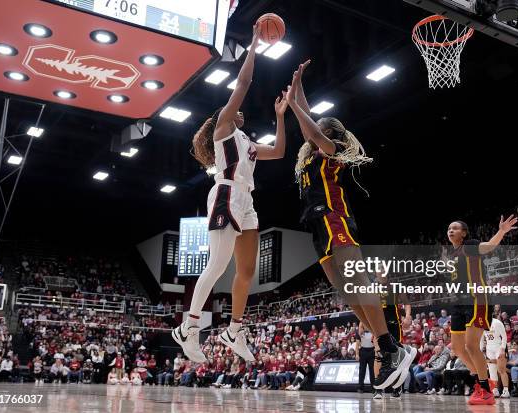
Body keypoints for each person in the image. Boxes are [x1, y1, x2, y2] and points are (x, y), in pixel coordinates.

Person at [286, 59, 415, 392]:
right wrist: (297, 84)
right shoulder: (312, 151)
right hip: (316, 224)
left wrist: (294, 105)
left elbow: (310, 127)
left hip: (334, 216)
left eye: (320, 128)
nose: (313, 130)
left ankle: (389, 346)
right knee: (345, 291)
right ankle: (390, 345)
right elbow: (308, 121)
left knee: (357, 281)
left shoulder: (329, 149)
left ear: (330, 133)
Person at [173, 24, 288, 363]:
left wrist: (280, 116)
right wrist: (253, 42)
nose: (241, 109)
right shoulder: (224, 128)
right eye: (236, 107)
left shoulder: (249, 144)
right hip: (225, 193)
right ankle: (188, 327)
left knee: (247, 271)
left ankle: (234, 329)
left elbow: (280, 151)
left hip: (245, 200)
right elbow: (244, 83)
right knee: (218, 264)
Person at [446, 216, 518, 404]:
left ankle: (485, 389)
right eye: (449, 229)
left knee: (471, 346)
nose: (451, 231)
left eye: (455, 228)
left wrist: (501, 231)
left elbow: (488, 247)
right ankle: (482, 379)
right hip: (458, 303)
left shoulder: (469, 245)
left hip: (476, 299)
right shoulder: (451, 255)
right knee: (457, 348)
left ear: (464, 233)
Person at [481, 315, 510, 398]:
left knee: (501, 369)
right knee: (491, 370)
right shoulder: (482, 323)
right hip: (489, 348)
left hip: (498, 346)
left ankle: (506, 390)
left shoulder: (497, 322)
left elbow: (504, 336)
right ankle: (495, 390)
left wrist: (502, 349)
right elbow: (482, 338)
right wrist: (481, 351)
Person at [356, 323, 375, 394]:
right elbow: (357, 344)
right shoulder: (360, 332)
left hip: (372, 351)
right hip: (363, 351)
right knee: (362, 371)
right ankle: (360, 388)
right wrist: (357, 354)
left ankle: (373, 388)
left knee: (372, 371)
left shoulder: (373, 332)